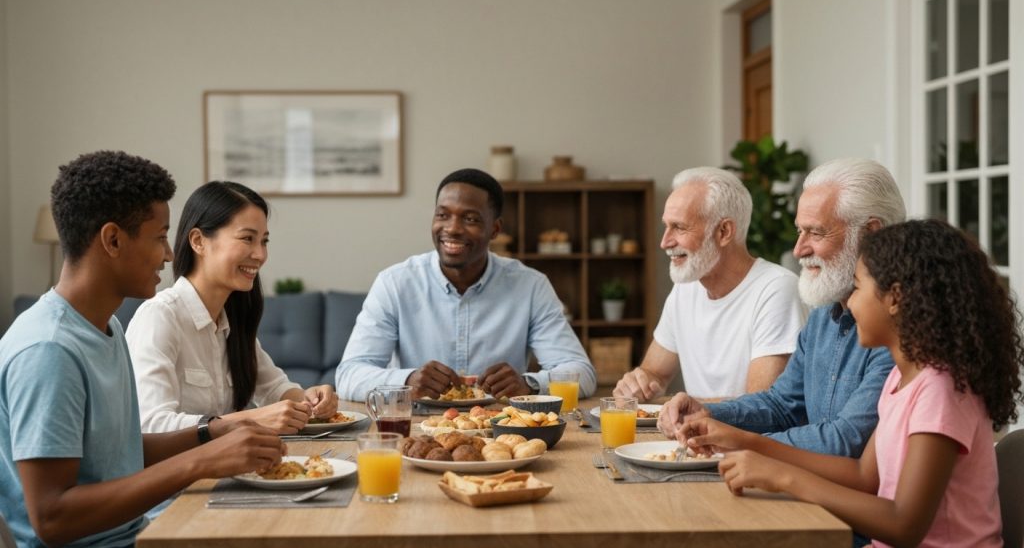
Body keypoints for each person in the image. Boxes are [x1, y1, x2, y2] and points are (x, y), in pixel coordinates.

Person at [0, 151, 283, 547]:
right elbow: (52, 517)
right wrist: (201, 461)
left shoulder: (106, 327)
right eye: (160, 237)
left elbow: (123, 451)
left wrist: (215, 430)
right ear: (113, 240)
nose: (169, 254)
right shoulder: (49, 349)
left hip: (138, 534)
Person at [682, 219, 1021, 547]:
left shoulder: (940, 391)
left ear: (895, 299)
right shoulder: (901, 378)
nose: (850, 304)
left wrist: (783, 476)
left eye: (857, 287)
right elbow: (863, 475)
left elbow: (904, 526)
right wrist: (745, 441)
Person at [659, 158, 906, 457]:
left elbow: (847, 441)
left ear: (871, 233)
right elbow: (781, 405)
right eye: (800, 231)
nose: (798, 249)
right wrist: (708, 413)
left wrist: (741, 441)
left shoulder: (900, 328)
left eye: (816, 232)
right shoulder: (822, 316)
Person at [336, 168, 596, 401]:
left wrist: (529, 384)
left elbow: (581, 373)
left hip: (501, 428)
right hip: (415, 428)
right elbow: (348, 376)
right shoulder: (394, 284)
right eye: (443, 215)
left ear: (495, 230)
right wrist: (406, 381)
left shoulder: (530, 286)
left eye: (470, 219)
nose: (452, 229)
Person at [126, 181, 337, 434]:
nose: (260, 255)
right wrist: (251, 419)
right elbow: (150, 425)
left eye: (264, 241)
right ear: (198, 241)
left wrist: (310, 399)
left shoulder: (231, 320)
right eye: (247, 238)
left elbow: (274, 388)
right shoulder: (160, 316)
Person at [613, 167, 806, 402]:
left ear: (724, 231)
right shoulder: (686, 288)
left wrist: (686, 408)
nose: (665, 242)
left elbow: (761, 406)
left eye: (679, 227)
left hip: (737, 429)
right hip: (697, 426)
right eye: (666, 226)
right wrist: (638, 384)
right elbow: (655, 374)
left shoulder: (777, 289)